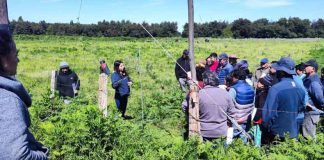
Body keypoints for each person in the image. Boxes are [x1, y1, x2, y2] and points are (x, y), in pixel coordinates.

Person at [0, 30, 49, 158]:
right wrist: (42, 156)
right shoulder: (8, 100)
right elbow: (18, 156)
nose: (18, 60)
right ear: (3, 58)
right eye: (15, 54)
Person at [262, 57, 305, 143]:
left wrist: (267, 130)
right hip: (294, 133)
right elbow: (300, 110)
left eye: (277, 69)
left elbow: (267, 115)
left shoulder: (275, 89)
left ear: (281, 72)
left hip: (277, 134)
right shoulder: (300, 88)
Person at [199, 71, 236, 141]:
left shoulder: (199, 94)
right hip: (222, 132)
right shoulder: (226, 94)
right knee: (221, 151)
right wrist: (228, 125)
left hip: (203, 132)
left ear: (204, 82)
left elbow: (185, 106)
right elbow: (233, 114)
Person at [228, 69, 255, 142]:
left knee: (231, 141)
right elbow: (253, 104)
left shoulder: (233, 89)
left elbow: (228, 105)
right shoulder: (251, 88)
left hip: (236, 120)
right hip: (247, 119)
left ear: (236, 77)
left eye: (232, 77)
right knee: (244, 140)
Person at [302, 59, 324, 139]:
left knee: (308, 137)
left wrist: (313, 107)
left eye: (307, 66)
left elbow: (321, 99)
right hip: (307, 112)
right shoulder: (307, 79)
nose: (304, 67)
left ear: (313, 69)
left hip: (311, 113)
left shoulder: (314, 82)